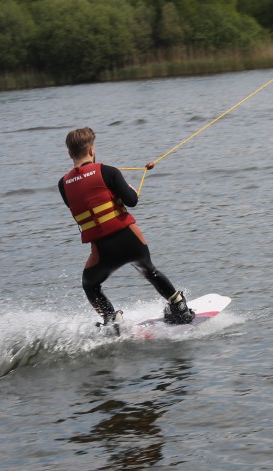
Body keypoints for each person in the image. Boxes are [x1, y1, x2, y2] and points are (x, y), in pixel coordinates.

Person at [58, 127, 194, 333]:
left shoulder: (63, 184)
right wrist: (127, 188)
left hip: (102, 251)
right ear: (92, 149)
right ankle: (178, 305)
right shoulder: (108, 171)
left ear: (69, 153)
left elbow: (84, 203)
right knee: (149, 270)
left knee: (90, 285)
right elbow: (132, 201)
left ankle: (111, 319)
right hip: (130, 241)